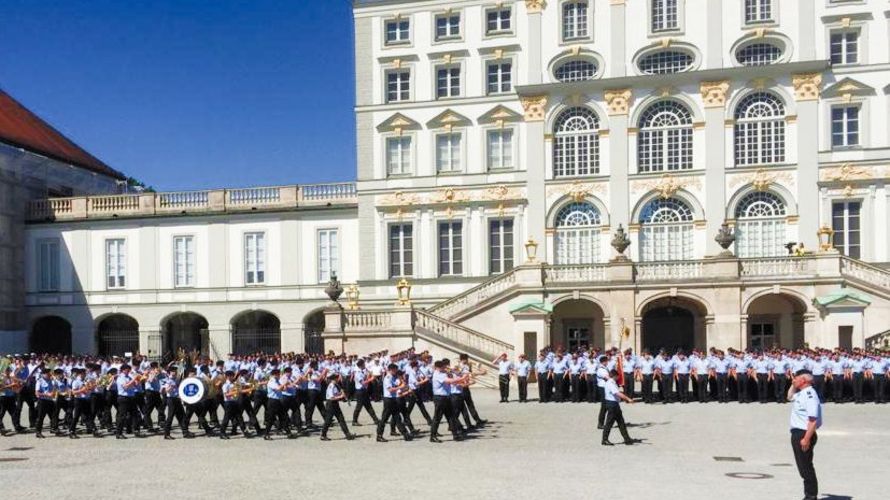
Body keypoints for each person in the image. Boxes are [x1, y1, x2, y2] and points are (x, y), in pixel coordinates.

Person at [787, 370, 822, 500]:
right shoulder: (800, 393)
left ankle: (811, 495)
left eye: (796, 378)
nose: (793, 380)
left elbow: (813, 420)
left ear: (804, 380)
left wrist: (806, 439)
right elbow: (789, 396)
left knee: (806, 467)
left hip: (804, 433)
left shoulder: (810, 395)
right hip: (797, 433)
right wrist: (793, 385)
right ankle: (809, 494)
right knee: (802, 466)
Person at [376, 364, 411, 442]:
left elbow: (397, 386)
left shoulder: (393, 377)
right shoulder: (387, 378)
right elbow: (391, 390)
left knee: (397, 417)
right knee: (384, 418)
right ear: (391, 370)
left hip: (393, 399)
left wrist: (402, 383)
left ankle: (405, 434)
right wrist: (401, 387)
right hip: (388, 400)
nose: (396, 371)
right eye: (395, 370)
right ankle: (379, 435)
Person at [601, 369, 635, 446]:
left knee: (621, 422)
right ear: (615, 376)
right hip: (612, 404)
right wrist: (628, 399)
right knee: (609, 423)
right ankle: (604, 440)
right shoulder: (611, 383)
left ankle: (627, 439)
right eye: (617, 376)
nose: (618, 378)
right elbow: (617, 393)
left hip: (614, 404)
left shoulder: (611, 382)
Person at [320, 374, 355, 441]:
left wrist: (341, 394)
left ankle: (348, 434)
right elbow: (331, 397)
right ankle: (323, 435)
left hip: (335, 404)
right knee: (328, 420)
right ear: (334, 379)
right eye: (337, 378)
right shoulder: (331, 386)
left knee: (341, 419)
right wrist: (341, 396)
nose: (338, 379)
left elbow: (335, 394)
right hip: (331, 404)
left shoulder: (336, 386)